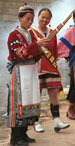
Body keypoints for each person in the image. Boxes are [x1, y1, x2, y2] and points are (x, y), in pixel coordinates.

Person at [6, 4, 49, 146]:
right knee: (19, 103)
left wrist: (41, 48)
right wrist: (37, 45)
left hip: (30, 71)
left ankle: (23, 134)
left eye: (31, 19)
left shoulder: (30, 34)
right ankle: (15, 138)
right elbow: (20, 54)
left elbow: (33, 54)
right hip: (19, 72)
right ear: (20, 18)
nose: (30, 22)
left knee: (29, 101)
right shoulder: (14, 35)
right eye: (27, 19)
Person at [31, 8, 70, 133]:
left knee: (53, 94)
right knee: (36, 95)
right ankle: (36, 121)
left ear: (50, 19)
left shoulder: (53, 32)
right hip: (37, 68)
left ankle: (57, 120)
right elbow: (30, 50)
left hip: (51, 67)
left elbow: (54, 52)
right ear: (38, 17)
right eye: (43, 17)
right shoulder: (32, 32)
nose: (45, 20)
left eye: (47, 17)